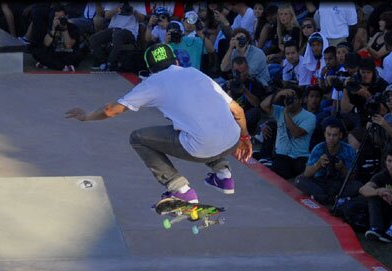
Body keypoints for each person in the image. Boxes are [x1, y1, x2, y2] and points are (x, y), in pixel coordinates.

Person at [65, 43, 251, 204]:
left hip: (201, 147)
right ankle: (224, 175)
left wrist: (86, 116)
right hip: (232, 140)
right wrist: (245, 137)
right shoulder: (196, 73)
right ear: (176, 61)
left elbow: (110, 110)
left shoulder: (153, 82)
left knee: (138, 138)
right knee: (196, 124)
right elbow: (237, 111)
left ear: (150, 69)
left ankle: (180, 189)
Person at [259, 86, 316, 181]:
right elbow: (263, 105)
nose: (290, 101)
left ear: (300, 100)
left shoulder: (310, 117)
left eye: (293, 98)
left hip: (300, 157)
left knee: (298, 175)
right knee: (275, 178)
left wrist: (286, 113)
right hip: (282, 155)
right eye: (288, 98)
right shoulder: (280, 110)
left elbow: (296, 133)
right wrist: (279, 94)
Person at [295, 119, 358, 206]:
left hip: (339, 183)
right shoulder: (319, 148)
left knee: (357, 185)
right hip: (321, 182)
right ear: (324, 134)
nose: (331, 138)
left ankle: (322, 198)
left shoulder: (348, 150)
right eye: (329, 134)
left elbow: (352, 177)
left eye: (335, 135)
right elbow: (307, 174)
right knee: (300, 180)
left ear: (340, 135)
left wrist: (342, 168)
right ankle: (331, 199)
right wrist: (318, 164)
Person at [89, 2, 145, 71]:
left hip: (130, 31)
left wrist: (134, 11)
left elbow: (142, 19)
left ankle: (110, 63)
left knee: (118, 34)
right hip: (113, 28)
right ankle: (103, 61)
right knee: (93, 39)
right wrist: (116, 9)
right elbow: (106, 15)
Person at [30, 5, 86, 72]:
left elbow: (69, 46)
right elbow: (46, 44)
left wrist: (64, 29)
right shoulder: (52, 26)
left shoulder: (73, 28)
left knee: (78, 56)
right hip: (54, 53)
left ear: (66, 16)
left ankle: (47, 64)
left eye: (61, 17)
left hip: (68, 54)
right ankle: (63, 67)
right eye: (57, 18)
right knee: (36, 52)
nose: (59, 20)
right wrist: (53, 29)